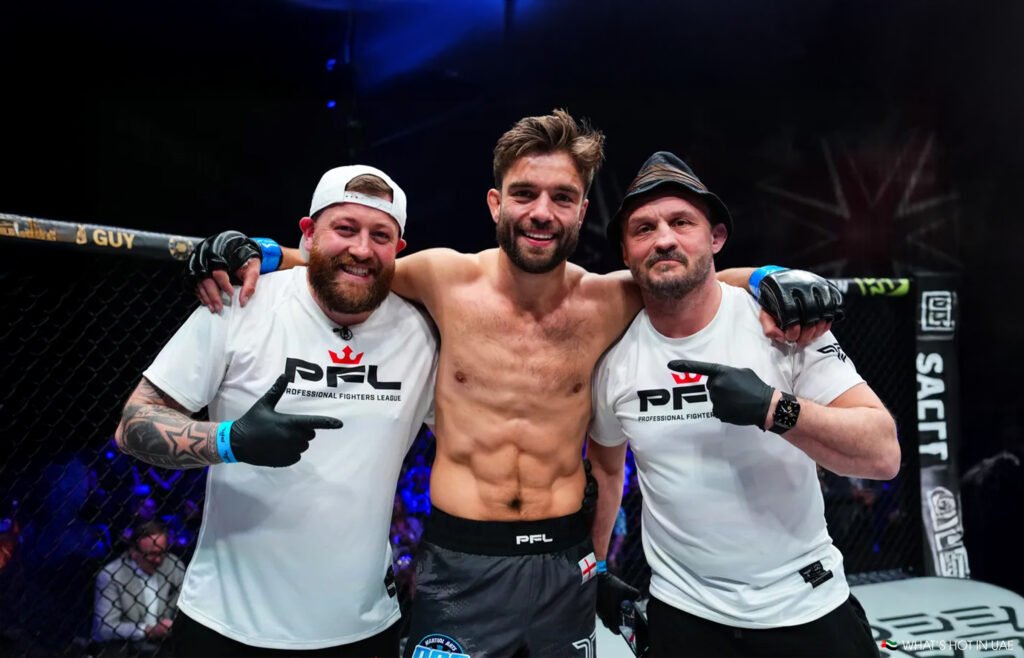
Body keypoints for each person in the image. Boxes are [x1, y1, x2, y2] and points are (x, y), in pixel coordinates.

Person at [186, 110, 841, 657]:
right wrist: (265, 251)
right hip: (461, 560)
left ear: (583, 208)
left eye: (562, 197)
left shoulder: (608, 300)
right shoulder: (444, 277)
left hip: (564, 558)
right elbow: (355, 261)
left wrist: (767, 275)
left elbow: (688, 272)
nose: (541, 212)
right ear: (497, 201)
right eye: (525, 193)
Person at [114, 164, 438, 656]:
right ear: (308, 234)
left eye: (380, 235)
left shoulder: (420, 334)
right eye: (345, 229)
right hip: (224, 621)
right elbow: (133, 423)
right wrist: (229, 440)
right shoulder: (242, 303)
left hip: (362, 625)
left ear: (399, 249)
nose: (361, 249)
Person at [587, 151, 900, 657]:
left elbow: (882, 453)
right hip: (683, 614)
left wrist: (776, 409)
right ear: (625, 253)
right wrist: (597, 572)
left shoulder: (782, 325)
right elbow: (606, 470)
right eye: (643, 228)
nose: (663, 238)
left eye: (681, 222)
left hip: (807, 602)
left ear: (715, 238)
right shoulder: (613, 357)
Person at [92, 521, 184, 657]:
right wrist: (147, 630)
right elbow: (104, 628)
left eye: (162, 552)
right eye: (152, 554)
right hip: (127, 647)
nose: (158, 560)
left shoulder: (173, 566)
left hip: (166, 644)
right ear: (134, 552)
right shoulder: (111, 575)